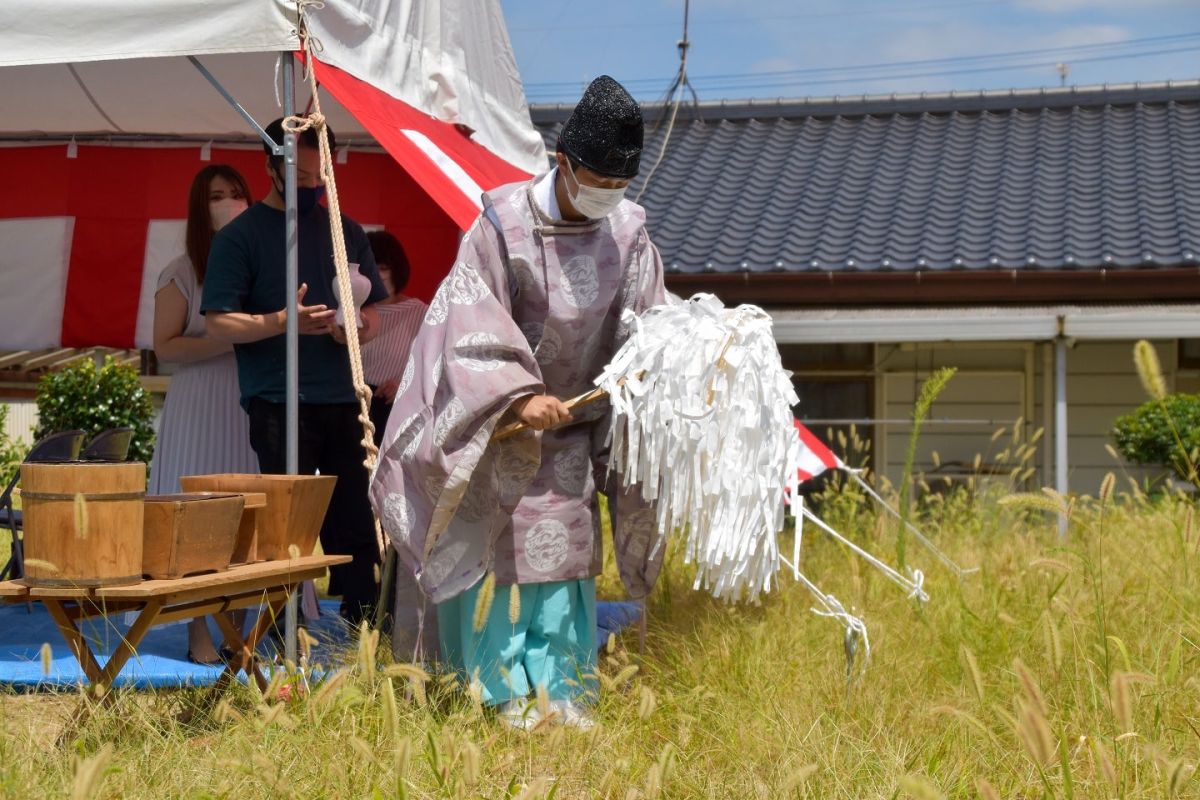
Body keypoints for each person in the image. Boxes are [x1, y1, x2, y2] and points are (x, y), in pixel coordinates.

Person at [369, 76, 668, 729]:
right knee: (492, 563)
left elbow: (649, 324)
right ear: (563, 163)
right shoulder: (500, 225)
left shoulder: (629, 234)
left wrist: (669, 364)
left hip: (570, 439)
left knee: (564, 560)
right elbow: (468, 323)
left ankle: (561, 694)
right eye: (597, 181)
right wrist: (517, 397)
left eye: (620, 187)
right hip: (492, 429)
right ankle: (495, 696)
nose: (607, 198)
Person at [201, 117, 388, 625]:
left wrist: (355, 327)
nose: (312, 188)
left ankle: (364, 624)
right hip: (278, 402)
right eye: (301, 178)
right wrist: (284, 321)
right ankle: (283, 630)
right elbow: (218, 320)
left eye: (319, 180)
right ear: (270, 167)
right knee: (285, 527)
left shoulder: (344, 230)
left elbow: (376, 313)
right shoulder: (240, 237)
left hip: (345, 398)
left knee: (354, 521)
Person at [150, 164, 260, 664]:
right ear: (200, 205)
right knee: (195, 517)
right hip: (198, 402)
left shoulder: (259, 266)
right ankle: (197, 629)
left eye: (236, 194)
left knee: (244, 513)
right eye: (217, 195)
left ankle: (237, 628)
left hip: (248, 400)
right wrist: (227, 338)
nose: (228, 203)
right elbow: (165, 346)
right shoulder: (180, 271)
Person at [362, 231, 427, 447]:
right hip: (349, 410)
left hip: (394, 411)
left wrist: (404, 384)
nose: (378, 276)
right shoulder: (349, 312)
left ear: (396, 270)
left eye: (383, 268)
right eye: (372, 269)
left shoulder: (420, 313)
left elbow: (435, 366)